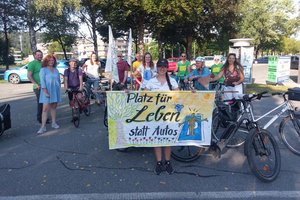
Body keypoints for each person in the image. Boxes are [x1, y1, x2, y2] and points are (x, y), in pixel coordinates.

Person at [145, 58, 179, 175]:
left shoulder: (173, 81)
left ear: (167, 68)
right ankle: (159, 162)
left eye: (164, 66)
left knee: (168, 139)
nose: (162, 68)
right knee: (157, 139)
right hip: (155, 115)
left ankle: (168, 162)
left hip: (169, 115)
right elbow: (142, 96)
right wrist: (128, 93)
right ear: (157, 67)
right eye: (160, 66)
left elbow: (180, 96)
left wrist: (192, 94)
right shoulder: (151, 82)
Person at [37, 55, 61, 134]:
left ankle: (54, 123)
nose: (51, 61)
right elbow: (42, 81)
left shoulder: (56, 70)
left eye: (52, 60)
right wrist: (45, 91)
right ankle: (43, 127)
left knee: (54, 108)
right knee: (45, 109)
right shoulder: (43, 70)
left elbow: (58, 81)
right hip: (46, 91)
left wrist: (58, 90)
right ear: (46, 61)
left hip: (55, 90)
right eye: (49, 60)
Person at [27, 50, 50, 124]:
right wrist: (36, 84)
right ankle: (40, 118)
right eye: (38, 55)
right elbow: (29, 76)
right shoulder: (32, 64)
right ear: (34, 55)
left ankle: (44, 117)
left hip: (45, 86)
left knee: (46, 102)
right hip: (38, 87)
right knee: (41, 103)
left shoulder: (43, 63)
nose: (40, 56)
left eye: (41, 54)